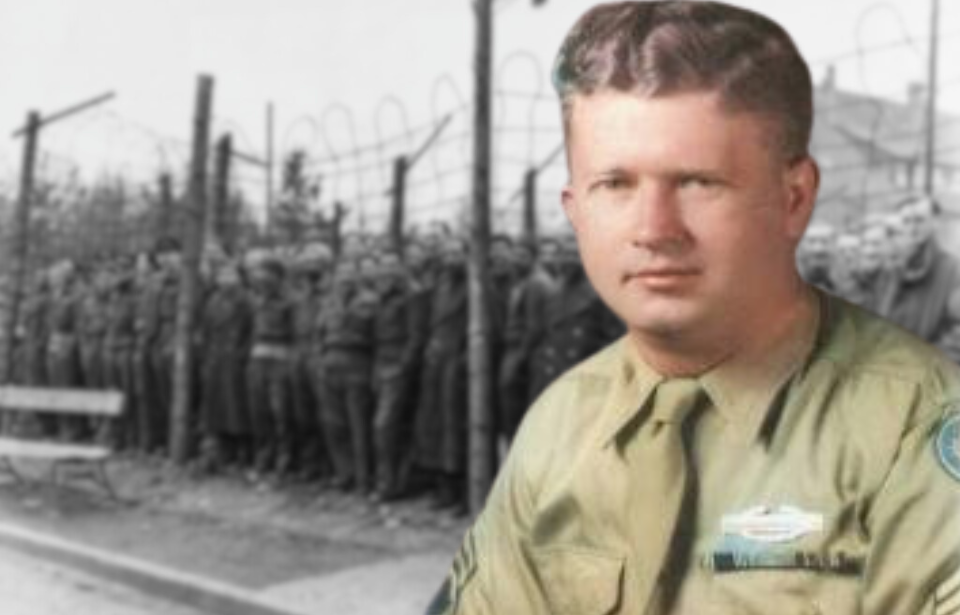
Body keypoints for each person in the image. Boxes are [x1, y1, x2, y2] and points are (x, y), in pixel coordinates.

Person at [430, 3, 960, 615]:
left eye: (699, 182)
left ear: (794, 199)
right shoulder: (559, 423)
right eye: (616, 185)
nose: (655, 229)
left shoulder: (913, 432)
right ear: (575, 209)